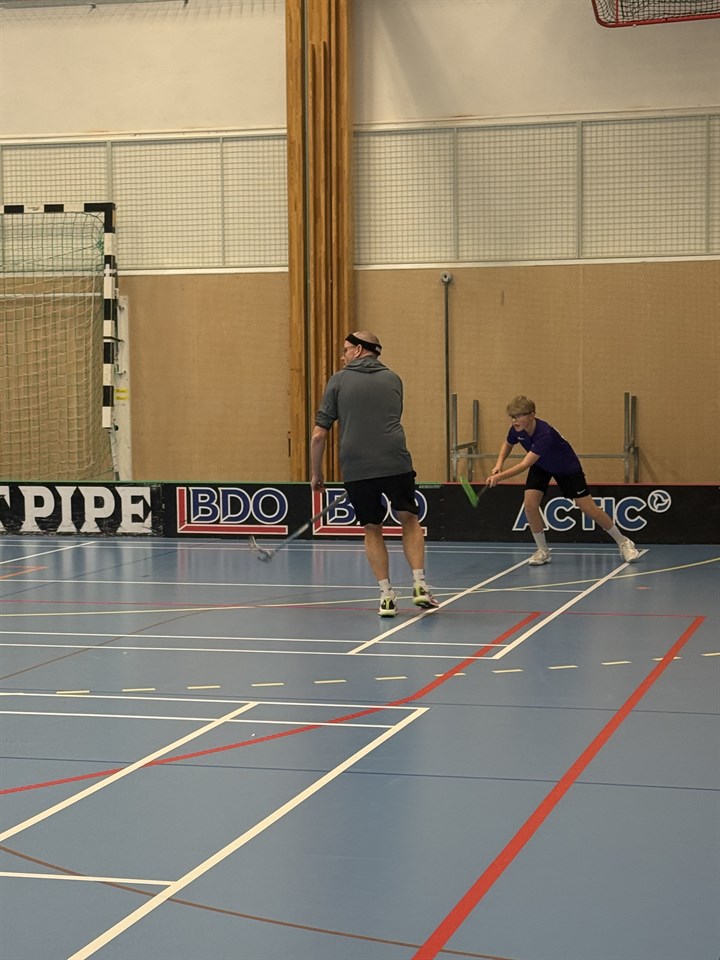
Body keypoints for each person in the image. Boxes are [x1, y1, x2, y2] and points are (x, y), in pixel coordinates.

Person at [310, 331, 439, 617]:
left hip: (357, 465)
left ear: (359, 350)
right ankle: (419, 584)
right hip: (395, 460)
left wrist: (316, 473)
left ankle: (386, 596)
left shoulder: (338, 381)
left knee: (372, 527)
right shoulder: (394, 379)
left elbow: (319, 435)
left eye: (346, 350)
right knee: (409, 518)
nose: (342, 356)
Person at [487, 395, 641, 565]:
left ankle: (624, 542)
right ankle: (543, 551)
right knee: (530, 505)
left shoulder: (544, 434)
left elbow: (525, 464)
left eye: (519, 416)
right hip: (541, 465)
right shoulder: (517, 430)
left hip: (566, 468)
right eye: (512, 417)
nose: (514, 420)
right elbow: (508, 444)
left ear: (531, 415)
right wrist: (499, 464)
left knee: (588, 507)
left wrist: (499, 477)